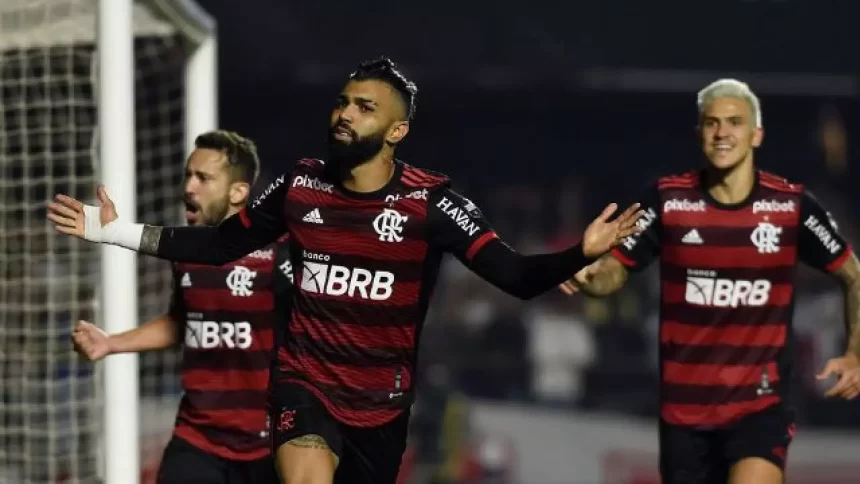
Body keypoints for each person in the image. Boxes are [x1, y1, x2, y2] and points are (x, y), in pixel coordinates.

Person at [48, 57, 643, 484]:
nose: (345, 114)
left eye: (364, 108)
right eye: (342, 101)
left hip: (383, 404)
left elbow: (514, 276)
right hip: (305, 384)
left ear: (396, 131)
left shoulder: (431, 203)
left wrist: (580, 253)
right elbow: (216, 245)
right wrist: (114, 232)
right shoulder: (300, 184)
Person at [559, 79, 860, 484]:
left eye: (735, 122)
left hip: (760, 407)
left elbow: (853, 276)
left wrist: (855, 352)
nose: (722, 133)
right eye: (712, 123)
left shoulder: (791, 206)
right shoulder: (667, 200)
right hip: (685, 414)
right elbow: (615, 270)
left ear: (756, 134)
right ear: (699, 133)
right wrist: (589, 273)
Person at [71, 130, 290, 484]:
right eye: (188, 175)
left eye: (204, 178)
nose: (189, 187)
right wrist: (112, 343)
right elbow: (182, 321)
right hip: (198, 437)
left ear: (238, 192)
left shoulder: (280, 254)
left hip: (269, 444)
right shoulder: (184, 255)